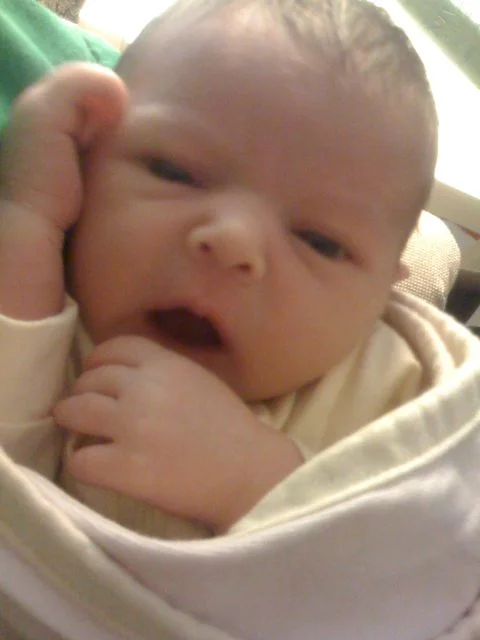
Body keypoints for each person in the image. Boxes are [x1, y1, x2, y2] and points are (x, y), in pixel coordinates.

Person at [3, 2, 480, 639]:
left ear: (386, 290)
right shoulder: (51, 291)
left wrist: (259, 480)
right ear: (87, 159)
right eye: (174, 171)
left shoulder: (399, 385)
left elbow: (433, 570)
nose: (233, 242)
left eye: (319, 241)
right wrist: (30, 215)